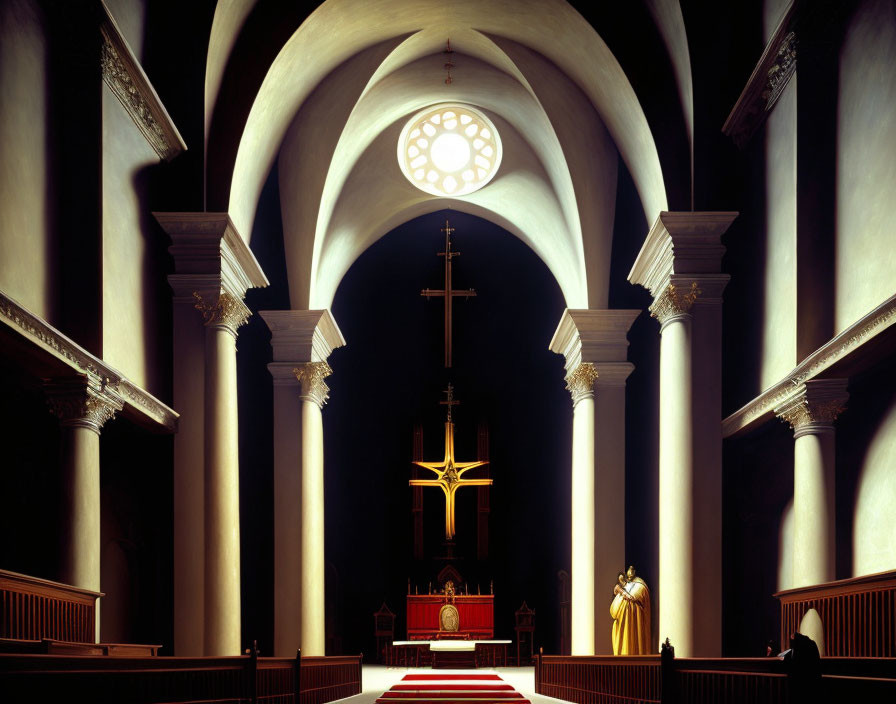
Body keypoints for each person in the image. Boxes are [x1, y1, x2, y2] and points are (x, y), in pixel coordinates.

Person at [610, 565, 652, 655]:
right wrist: (622, 592)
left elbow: (632, 599)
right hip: (621, 624)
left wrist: (622, 593)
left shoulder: (640, 587)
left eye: (632, 569)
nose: (630, 572)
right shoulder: (627, 586)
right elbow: (615, 610)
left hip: (632, 625)